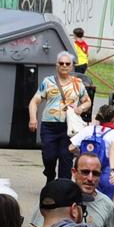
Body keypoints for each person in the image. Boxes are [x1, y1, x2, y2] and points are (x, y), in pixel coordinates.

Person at [29, 51, 91, 181]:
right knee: (49, 157)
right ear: (57, 65)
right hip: (49, 126)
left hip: (69, 128)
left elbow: (87, 101)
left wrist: (80, 108)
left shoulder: (77, 83)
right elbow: (34, 101)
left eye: (67, 63)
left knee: (65, 159)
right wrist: (33, 118)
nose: (64, 65)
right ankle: (50, 175)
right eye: (61, 63)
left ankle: (64, 187)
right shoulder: (48, 81)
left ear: (72, 66)